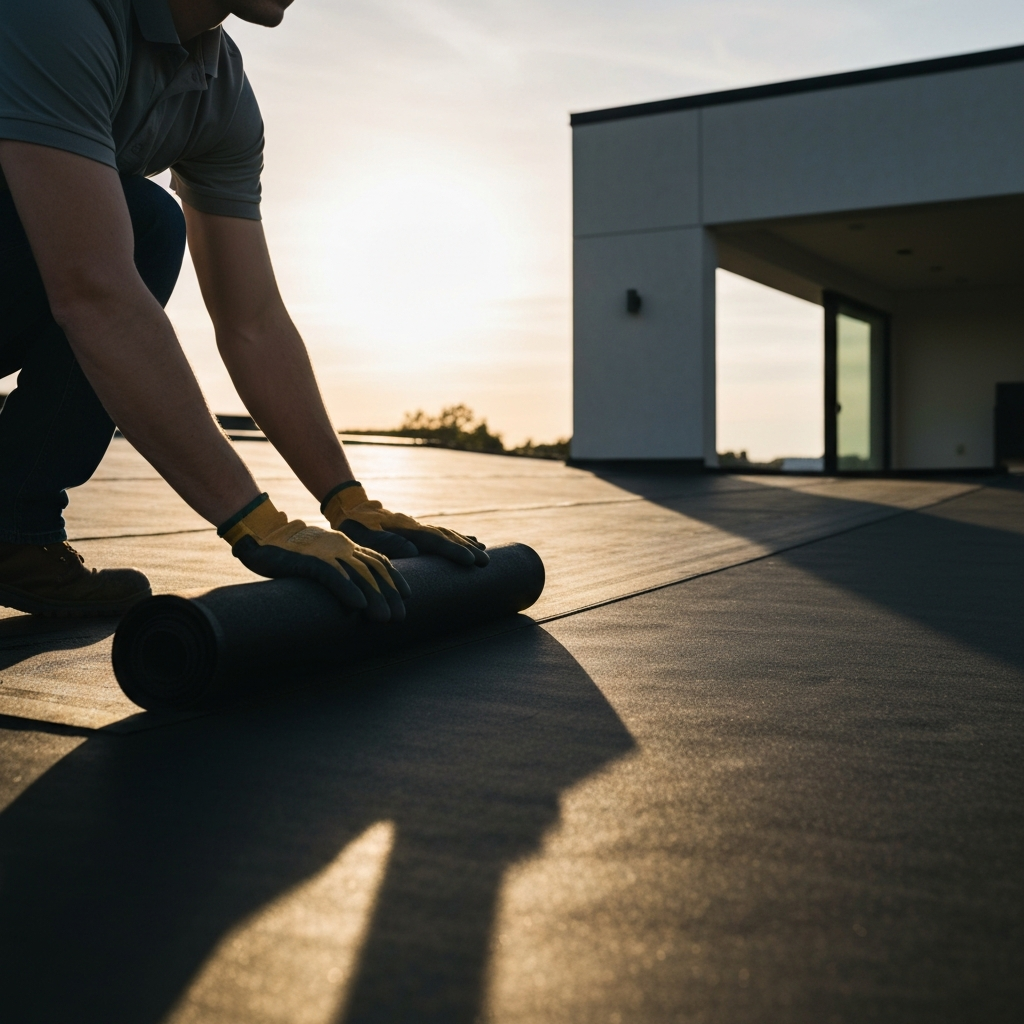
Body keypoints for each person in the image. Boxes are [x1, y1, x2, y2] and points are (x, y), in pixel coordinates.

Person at [0, 0, 487, 621]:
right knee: (146, 223)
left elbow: (253, 321)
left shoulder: (216, 86)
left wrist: (346, 500)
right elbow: (93, 291)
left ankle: (10, 529)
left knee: (144, 227)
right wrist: (252, 520)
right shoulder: (62, 14)